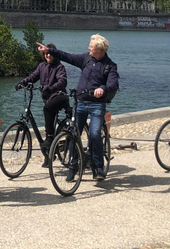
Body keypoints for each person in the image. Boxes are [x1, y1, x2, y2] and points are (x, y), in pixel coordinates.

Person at [37, 34, 119, 181]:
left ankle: (99, 168)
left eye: (91, 45)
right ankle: (73, 167)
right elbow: (68, 56)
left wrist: (103, 88)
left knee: (94, 134)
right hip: (80, 102)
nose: (88, 47)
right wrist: (49, 50)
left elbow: (114, 84)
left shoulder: (110, 66)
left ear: (99, 49)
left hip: (97, 105)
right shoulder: (86, 59)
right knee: (73, 134)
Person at [15, 43, 68, 166]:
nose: (48, 55)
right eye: (45, 53)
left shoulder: (59, 67)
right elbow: (33, 77)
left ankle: (49, 139)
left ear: (54, 54)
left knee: (47, 110)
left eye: (50, 53)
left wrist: (51, 88)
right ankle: (49, 155)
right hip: (48, 98)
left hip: (60, 96)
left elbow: (62, 81)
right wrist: (22, 83)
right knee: (47, 119)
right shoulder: (41, 66)